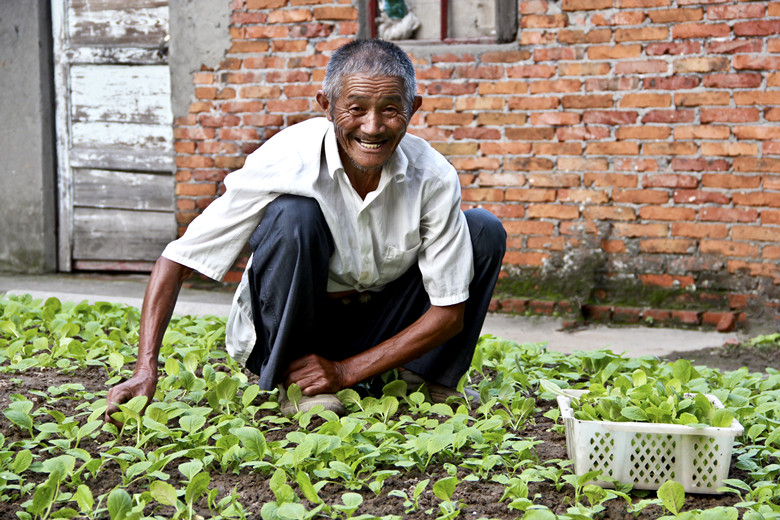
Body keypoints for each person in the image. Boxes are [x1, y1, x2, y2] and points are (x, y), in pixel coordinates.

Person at [105, 38, 506, 421]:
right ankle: (296, 383)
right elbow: (177, 259)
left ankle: (423, 377)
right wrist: (145, 369)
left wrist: (347, 372)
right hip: (297, 324)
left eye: (390, 109)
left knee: (483, 230)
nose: (373, 127)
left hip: (379, 324)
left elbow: (449, 312)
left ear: (413, 109)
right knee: (295, 215)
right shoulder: (287, 158)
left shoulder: (432, 175)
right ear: (326, 106)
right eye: (356, 108)